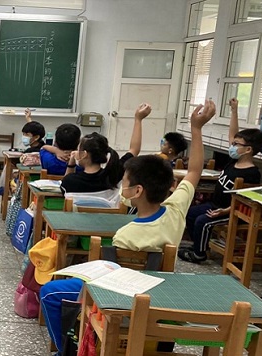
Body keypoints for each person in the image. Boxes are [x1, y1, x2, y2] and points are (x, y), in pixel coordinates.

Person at [39, 99, 216, 351]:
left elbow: (114, 282)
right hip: (161, 293)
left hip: (123, 298)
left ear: (137, 191)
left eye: (125, 181)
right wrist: (196, 129)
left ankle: (65, 349)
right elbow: (194, 171)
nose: (122, 184)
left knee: (50, 292)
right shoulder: (176, 210)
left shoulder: (126, 235)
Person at [179, 98, 262, 263]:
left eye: (236, 144)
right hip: (215, 205)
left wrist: (224, 211)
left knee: (202, 221)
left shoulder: (252, 173)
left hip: (230, 211)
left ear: (248, 150)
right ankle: (198, 245)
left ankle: (199, 254)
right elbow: (233, 133)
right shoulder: (234, 161)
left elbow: (246, 201)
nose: (232, 146)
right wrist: (234, 111)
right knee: (190, 214)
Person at [59, 103, 150, 195]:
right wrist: (138, 119)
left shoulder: (70, 181)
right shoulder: (113, 175)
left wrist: (71, 165)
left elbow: (64, 191)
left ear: (84, 154)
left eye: (79, 150)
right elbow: (134, 150)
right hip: (106, 210)